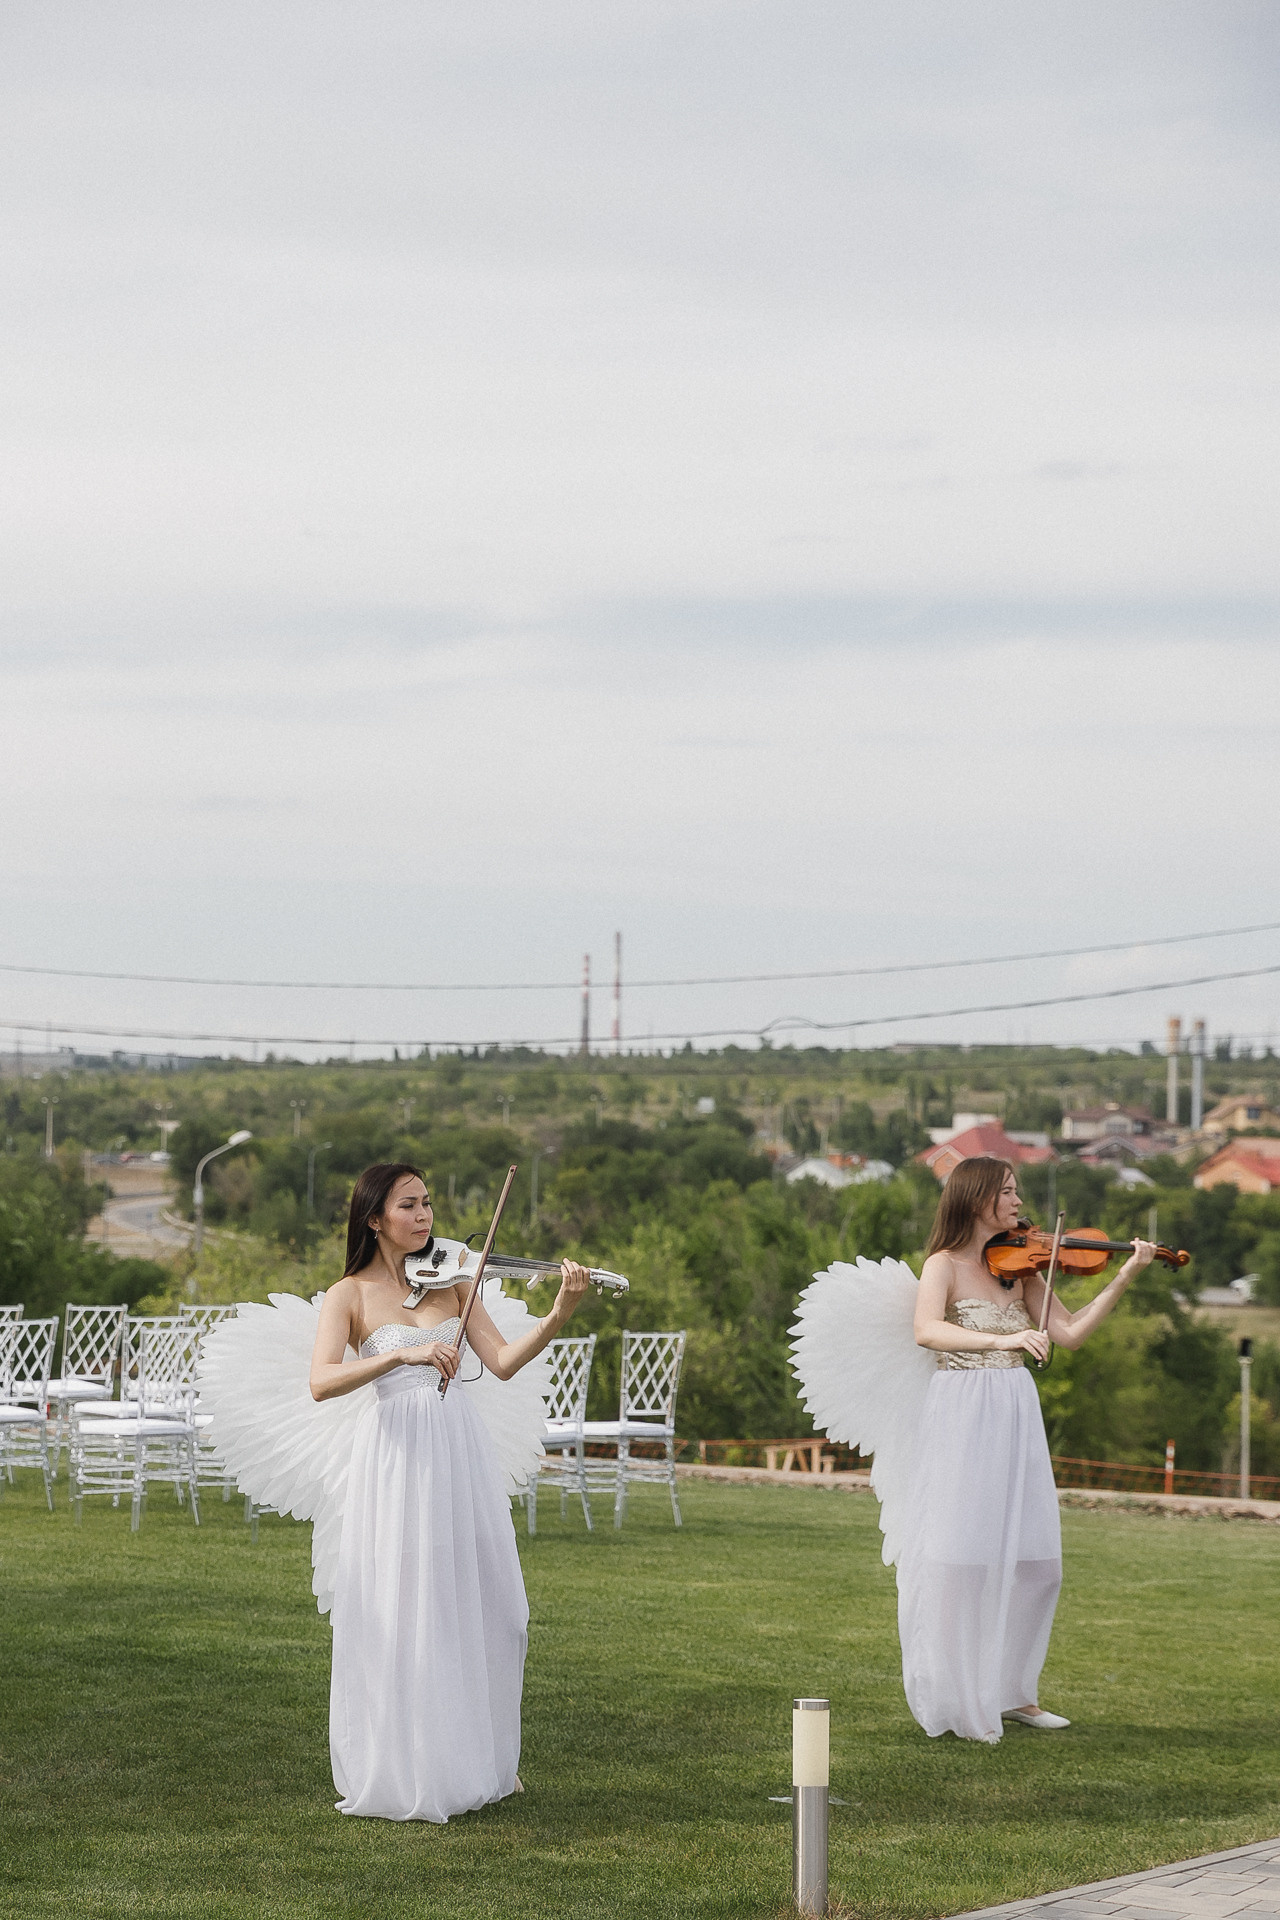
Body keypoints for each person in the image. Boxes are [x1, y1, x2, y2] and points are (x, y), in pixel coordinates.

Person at [200, 1162, 590, 1822]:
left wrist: (560, 1311)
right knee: (407, 1608)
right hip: (395, 1457)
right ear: (374, 1219)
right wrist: (399, 1355)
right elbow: (322, 1381)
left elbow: (500, 1362)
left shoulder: (456, 1277)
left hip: (458, 1448)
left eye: (428, 1203)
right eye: (409, 1205)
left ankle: (482, 1760)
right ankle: (413, 1768)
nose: (424, 1215)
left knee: (497, 1608)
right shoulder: (348, 1295)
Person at [790, 1155, 1155, 1745]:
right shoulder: (944, 1265)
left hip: (1015, 1408)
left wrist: (1127, 1273)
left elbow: (1069, 1334)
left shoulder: (1022, 1269)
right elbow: (927, 1331)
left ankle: (1015, 1693)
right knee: (960, 1560)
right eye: (1007, 1191)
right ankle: (959, 1698)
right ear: (977, 1197)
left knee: (1038, 1563)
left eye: (1015, 1191)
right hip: (962, 1409)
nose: (1018, 1201)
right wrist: (1004, 1339)